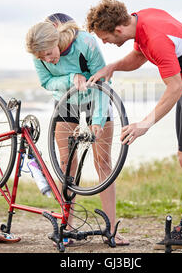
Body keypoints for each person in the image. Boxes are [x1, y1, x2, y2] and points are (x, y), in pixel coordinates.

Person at [85, 0, 182, 247]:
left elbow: (174, 87)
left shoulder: (156, 38)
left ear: (118, 30)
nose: (104, 43)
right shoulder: (140, 20)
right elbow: (139, 56)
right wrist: (112, 67)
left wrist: (144, 124)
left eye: (104, 38)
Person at [25, 13, 129, 246]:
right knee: (66, 162)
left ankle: (111, 229)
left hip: (97, 97)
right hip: (66, 99)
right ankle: (67, 226)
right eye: (41, 57)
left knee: (102, 162)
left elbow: (103, 81)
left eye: (49, 54)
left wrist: (98, 123)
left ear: (56, 42)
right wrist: (72, 77)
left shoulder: (86, 43)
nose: (48, 60)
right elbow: (47, 82)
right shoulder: (39, 53)